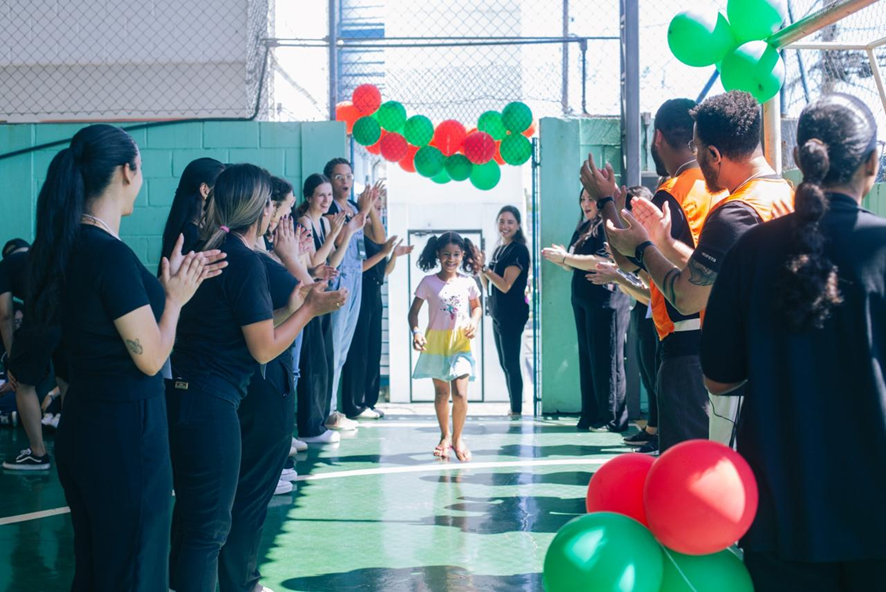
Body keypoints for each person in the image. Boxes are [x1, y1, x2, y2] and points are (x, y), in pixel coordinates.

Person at [25, 124, 223, 590]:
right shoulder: (107, 256)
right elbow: (150, 358)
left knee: (99, 569)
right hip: (124, 436)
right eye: (141, 167)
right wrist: (174, 299)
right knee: (134, 570)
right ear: (126, 172)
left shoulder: (65, 247)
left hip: (85, 426)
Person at [701, 94, 885, 591]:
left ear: (799, 158)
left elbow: (719, 377)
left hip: (781, 512)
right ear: (872, 162)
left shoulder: (751, 251)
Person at [167, 164, 345, 592]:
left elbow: (243, 326)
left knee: (196, 519)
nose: (274, 212)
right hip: (213, 403)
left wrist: (291, 307)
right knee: (209, 529)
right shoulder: (244, 260)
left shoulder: (212, 249)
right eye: (270, 204)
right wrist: (308, 311)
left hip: (187, 397)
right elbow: (263, 347)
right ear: (259, 209)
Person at [594, 91, 794, 449]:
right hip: (777, 364)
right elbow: (727, 276)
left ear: (713, 154)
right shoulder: (785, 194)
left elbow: (687, 296)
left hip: (731, 370)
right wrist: (666, 242)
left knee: (703, 472)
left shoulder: (736, 212)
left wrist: (642, 247)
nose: (694, 157)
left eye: (697, 147)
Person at [219, 209, 331, 592]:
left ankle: (239, 578)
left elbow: (287, 307)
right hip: (259, 383)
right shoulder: (250, 261)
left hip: (253, 384)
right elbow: (310, 299)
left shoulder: (246, 257)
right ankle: (240, 581)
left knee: (235, 499)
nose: (279, 218)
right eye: (275, 208)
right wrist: (291, 259)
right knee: (245, 497)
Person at [542, 191, 630, 433]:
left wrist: (566, 258)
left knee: (607, 359)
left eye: (591, 199)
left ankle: (612, 417)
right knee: (589, 358)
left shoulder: (606, 226)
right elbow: (573, 264)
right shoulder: (583, 227)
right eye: (582, 199)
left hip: (605, 300)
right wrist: (561, 259)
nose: (586, 204)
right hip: (583, 300)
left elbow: (599, 261)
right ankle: (592, 413)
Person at [586, 186, 658, 446]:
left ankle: (659, 434)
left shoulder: (653, 246)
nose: (625, 218)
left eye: (629, 212)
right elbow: (639, 290)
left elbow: (652, 293)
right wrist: (619, 273)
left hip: (658, 321)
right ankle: (652, 430)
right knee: (649, 378)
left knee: (656, 379)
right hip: (644, 317)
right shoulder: (637, 248)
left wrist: (618, 275)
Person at [323, 158, 386, 430]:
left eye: (348, 176)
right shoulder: (331, 210)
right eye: (339, 177)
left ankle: (332, 410)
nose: (345, 181)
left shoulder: (353, 208)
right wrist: (363, 211)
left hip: (356, 279)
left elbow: (379, 238)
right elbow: (338, 241)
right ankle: (328, 411)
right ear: (329, 181)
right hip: (338, 279)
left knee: (344, 350)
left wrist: (368, 209)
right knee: (334, 348)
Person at [409, 232, 482, 462]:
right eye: (446, 254)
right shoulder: (428, 282)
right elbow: (413, 313)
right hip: (436, 345)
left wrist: (474, 321)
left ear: (463, 255)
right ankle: (445, 436)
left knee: (460, 394)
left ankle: (458, 438)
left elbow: (477, 307)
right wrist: (416, 332)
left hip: (461, 343)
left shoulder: (468, 282)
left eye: (456, 254)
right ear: (438, 255)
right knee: (442, 394)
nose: (451, 259)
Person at [341, 195, 413, 419]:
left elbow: (384, 271)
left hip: (375, 291)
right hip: (361, 290)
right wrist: (369, 207)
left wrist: (394, 256)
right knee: (359, 349)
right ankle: (355, 404)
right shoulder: (364, 232)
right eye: (376, 208)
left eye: (381, 208)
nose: (378, 213)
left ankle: (369, 401)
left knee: (373, 349)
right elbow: (376, 245)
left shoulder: (376, 236)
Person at [295, 173, 352, 444]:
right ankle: (309, 426)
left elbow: (331, 263)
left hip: (321, 296)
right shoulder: (305, 222)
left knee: (324, 361)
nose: (327, 199)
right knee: (312, 363)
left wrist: (346, 234)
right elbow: (315, 262)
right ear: (309, 197)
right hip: (308, 299)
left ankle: (317, 422)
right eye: (321, 195)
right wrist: (333, 235)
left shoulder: (322, 222)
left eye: (329, 195)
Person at [476, 205, 531, 417]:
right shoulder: (499, 249)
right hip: (498, 313)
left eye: (510, 222)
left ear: (518, 226)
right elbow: (488, 284)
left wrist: (486, 269)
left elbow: (506, 285)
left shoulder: (518, 250)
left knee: (511, 362)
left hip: (512, 314)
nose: (505, 226)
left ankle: (516, 409)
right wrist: (481, 269)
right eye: (501, 221)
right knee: (504, 362)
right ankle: (513, 406)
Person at [160, 157, 226, 260]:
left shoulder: (189, 229)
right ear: (205, 190)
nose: (226, 193)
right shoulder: (193, 236)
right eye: (222, 186)